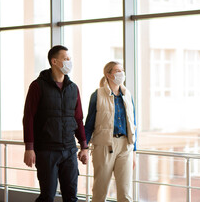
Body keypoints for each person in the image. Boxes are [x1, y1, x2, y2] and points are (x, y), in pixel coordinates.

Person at [23, 45, 89, 202]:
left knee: (71, 196)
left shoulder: (73, 88)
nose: (69, 62)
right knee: (47, 196)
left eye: (69, 59)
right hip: (47, 150)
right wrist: (29, 148)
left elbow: (78, 119)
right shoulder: (37, 86)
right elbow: (28, 117)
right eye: (66, 59)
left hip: (69, 150)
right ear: (54, 61)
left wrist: (84, 147)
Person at [84, 61, 137, 202]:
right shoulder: (98, 95)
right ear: (108, 74)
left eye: (122, 70)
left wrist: (134, 151)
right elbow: (89, 124)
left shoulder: (127, 95)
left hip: (126, 146)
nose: (121, 73)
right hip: (104, 146)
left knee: (125, 193)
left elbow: (133, 123)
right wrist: (84, 147)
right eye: (117, 71)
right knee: (100, 192)